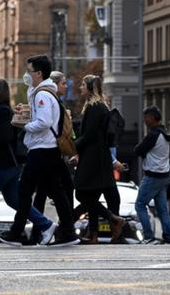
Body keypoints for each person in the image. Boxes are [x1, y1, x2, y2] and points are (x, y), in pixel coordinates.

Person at [0, 55, 79, 247]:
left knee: (25, 191)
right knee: (56, 192)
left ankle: (22, 232)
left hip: (42, 149)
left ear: (39, 73)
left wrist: (25, 126)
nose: (27, 75)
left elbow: (44, 122)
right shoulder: (45, 92)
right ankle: (66, 232)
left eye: (30, 71)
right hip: (47, 149)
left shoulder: (42, 94)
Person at [0, 78, 58, 247]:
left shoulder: (3, 111)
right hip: (9, 165)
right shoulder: (0, 110)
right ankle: (47, 225)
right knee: (14, 200)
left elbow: (4, 136)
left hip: (2, 163)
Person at [68, 75, 124, 244]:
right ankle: (94, 234)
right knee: (90, 195)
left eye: (83, 85)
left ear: (91, 87)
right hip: (96, 156)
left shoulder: (95, 107)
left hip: (93, 158)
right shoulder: (97, 106)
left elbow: (89, 134)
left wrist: (72, 147)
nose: (80, 88)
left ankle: (111, 219)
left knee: (82, 193)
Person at [133, 106, 170, 244]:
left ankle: (149, 236)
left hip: (153, 176)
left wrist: (144, 153)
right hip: (164, 177)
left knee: (140, 204)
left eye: (146, 117)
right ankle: (169, 237)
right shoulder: (165, 133)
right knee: (162, 209)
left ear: (152, 118)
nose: (145, 120)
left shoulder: (153, 135)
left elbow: (137, 150)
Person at [33, 70, 74, 214]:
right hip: (50, 149)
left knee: (44, 191)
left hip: (51, 150)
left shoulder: (56, 101)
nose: (66, 86)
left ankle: (40, 230)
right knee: (62, 189)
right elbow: (44, 123)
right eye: (63, 83)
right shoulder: (49, 99)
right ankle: (66, 227)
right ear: (54, 85)